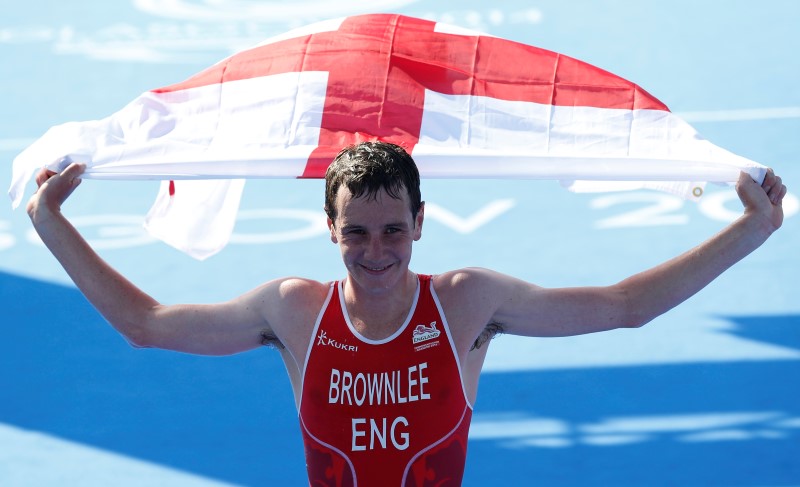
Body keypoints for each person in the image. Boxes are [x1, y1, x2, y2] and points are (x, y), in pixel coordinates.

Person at [27, 141, 786, 486]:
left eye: (393, 230)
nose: (376, 250)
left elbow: (625, 307)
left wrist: (751, 228)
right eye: (355, 232)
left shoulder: (465, 303)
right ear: (331, 229)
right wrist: (51, 222)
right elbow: (148, 323)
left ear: (420, 222)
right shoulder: (294, 311)